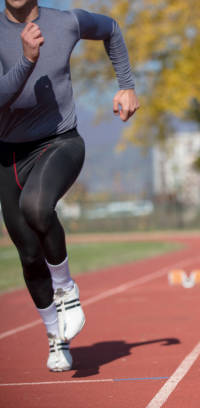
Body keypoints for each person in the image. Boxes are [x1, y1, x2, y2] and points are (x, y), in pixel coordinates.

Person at [0, 0, 139, 371]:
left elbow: (111, 28)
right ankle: (55, 339)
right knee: (28, 255)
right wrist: (27, 60)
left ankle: (66, 289)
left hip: (60, 141)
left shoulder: (66, 22)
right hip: (9, 156)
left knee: (37, 207)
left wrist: (127, 85)